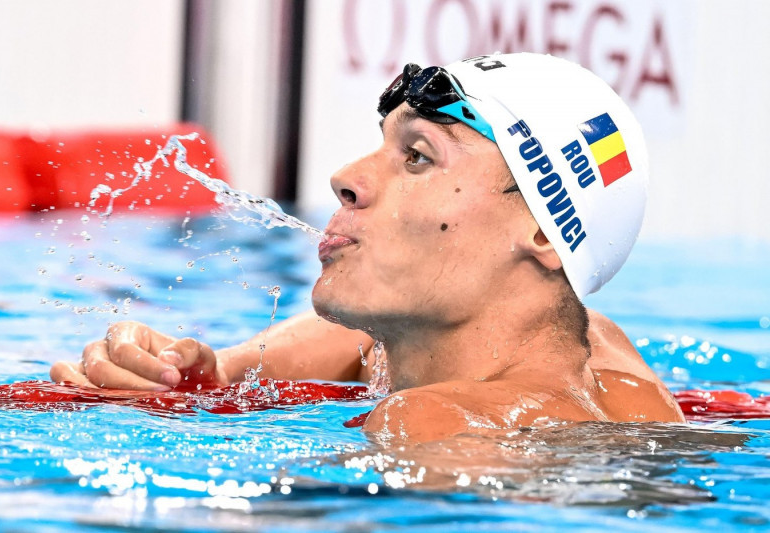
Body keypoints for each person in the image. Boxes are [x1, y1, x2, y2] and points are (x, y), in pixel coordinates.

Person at [51, 53, 685, 442]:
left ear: (543, 231)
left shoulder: (432, 425)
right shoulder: (597, 359)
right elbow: (365, 344)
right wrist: (226, 372)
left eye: (417, 156)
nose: (346, 177)